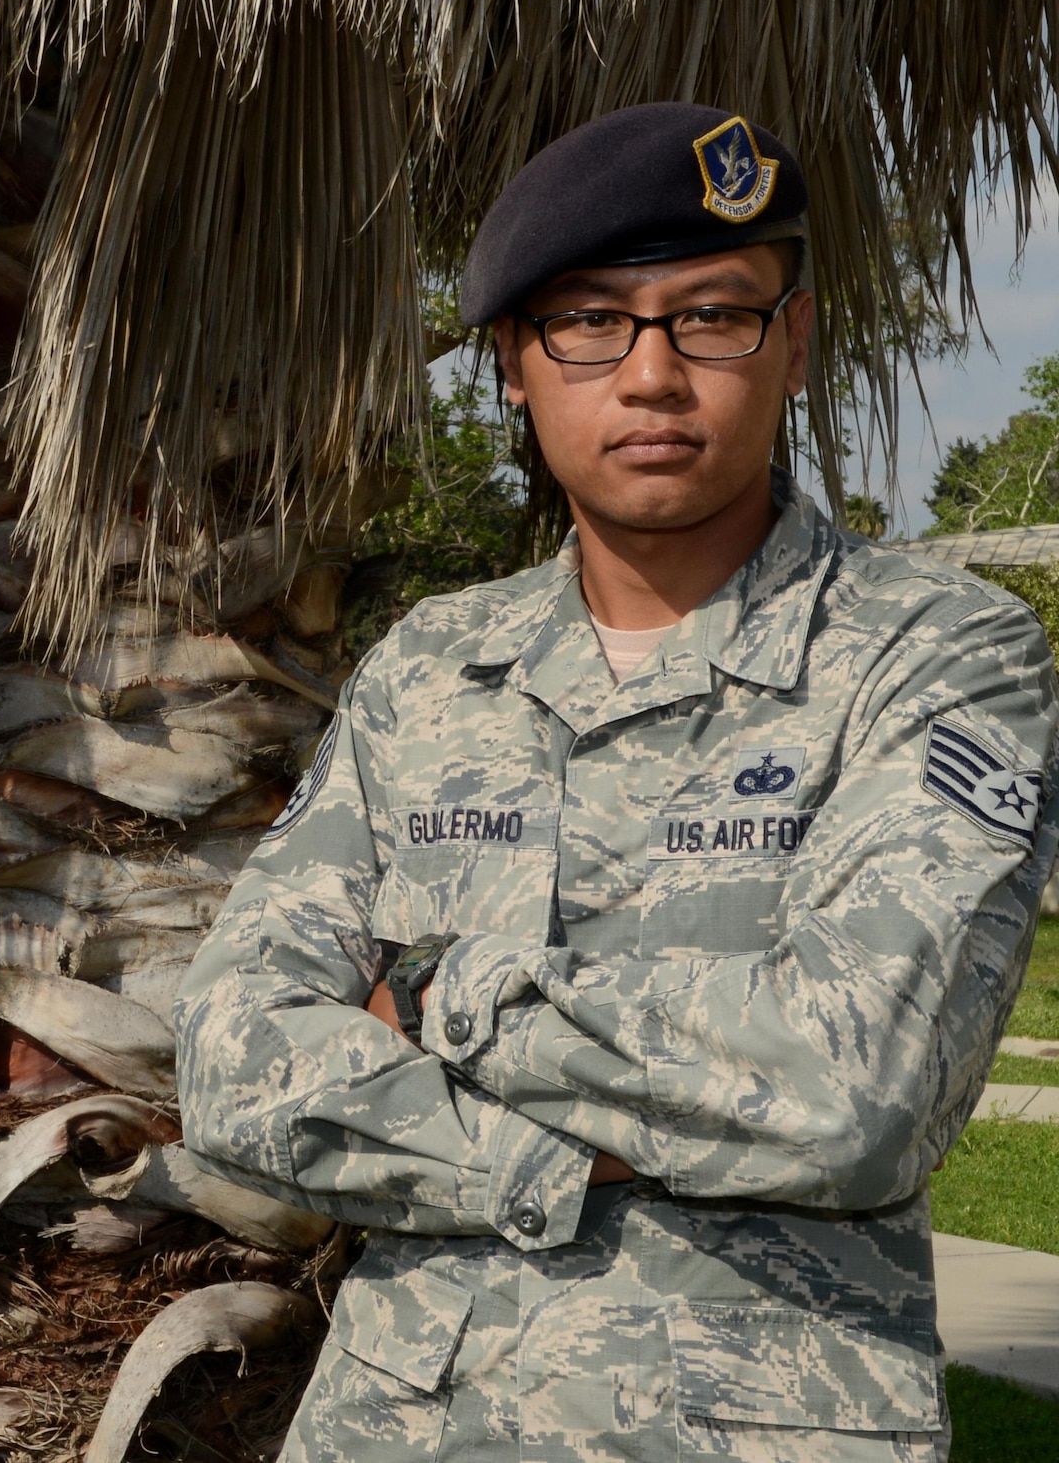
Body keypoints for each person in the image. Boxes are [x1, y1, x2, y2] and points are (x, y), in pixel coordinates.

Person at [175, 103, 1057, 1461]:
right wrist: (570, 1150)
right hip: (399, 1423)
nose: (652, 374)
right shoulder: (434, 666)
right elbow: (231, 1059)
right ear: (516, 371)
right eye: (589, 321)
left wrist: (432, 995)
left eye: (713, 316)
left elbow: (858, 1087)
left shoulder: (938, 656)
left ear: (799, 344)